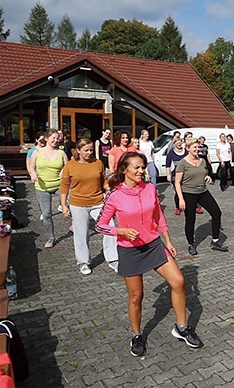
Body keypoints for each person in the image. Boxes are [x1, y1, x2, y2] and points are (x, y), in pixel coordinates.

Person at [95, 152, 203, 356]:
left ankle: (181, 328)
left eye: (143, 167)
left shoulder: (150, 188)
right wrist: (121, 231)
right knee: (136, 296)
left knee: (178, 281)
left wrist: (168, 240)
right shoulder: (115, 194)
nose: (141, 171)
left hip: (154, 244)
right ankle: (137, 335)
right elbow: (99, 225)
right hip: (130, 250)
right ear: (124, 169)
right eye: (136, 167)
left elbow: (158, 215)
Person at [60, 138, 118, 275]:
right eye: (86, 150)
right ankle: (83, 262)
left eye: (91, 149)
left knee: (110, 227)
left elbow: (103, 180)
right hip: (78, 204)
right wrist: (63, 205)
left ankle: (113, 258)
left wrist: (108, 188)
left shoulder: (97, 163)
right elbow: (64, 186)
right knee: (81, 233)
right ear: (78, 150)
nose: (89, 152)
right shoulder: (70, 165)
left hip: (98, 202)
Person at [174, 138, 225, 256]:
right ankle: (191, 244)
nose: (197, 149)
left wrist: (208, 177)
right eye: (195, 147)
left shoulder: (202, 161)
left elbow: (204, 173)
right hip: (188, 194)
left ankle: (215, 241)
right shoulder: (183, 163)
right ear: (188, 148)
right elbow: (177, 182)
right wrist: (181, 199)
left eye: (198, 147)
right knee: (190, 219)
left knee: (216, 213)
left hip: (203, 192)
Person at [27, 128, 68, 248]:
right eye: (53, 138)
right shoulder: (36, 152)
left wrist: (63, 171)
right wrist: (33, 174)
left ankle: (78, 229)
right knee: (46, 214)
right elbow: (31, 167)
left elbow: (68, 166)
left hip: (58, 185)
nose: (55, 140)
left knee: (71, 208)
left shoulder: (61, 153)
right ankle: (51, 237)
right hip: (42, 187)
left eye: (57, 138)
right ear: (46, 138)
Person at [165, 137, 187, 215]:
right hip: (175, 175)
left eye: (180, 141)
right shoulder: (171, 153)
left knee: (188, 191)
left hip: (186, 175)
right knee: (178, 191)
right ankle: (178, 207)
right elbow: (168, 165)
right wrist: (168, 175)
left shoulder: (186, 152)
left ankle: (192, 206)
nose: (179, 143)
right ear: (174, 144)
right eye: (176, 142)